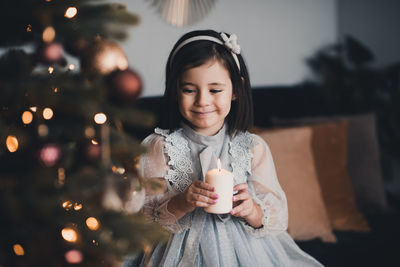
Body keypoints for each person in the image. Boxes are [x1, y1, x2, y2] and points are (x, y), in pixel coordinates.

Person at [126, 30, 323, 267]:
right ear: (175, 90)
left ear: (236, 90)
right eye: (189, 90)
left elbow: (275, 218)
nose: (202, 101)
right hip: (177, 251)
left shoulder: (252, 148)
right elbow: (141, 219)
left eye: (215, 90)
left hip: (246, 252)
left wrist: (251, 210)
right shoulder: (160, 148)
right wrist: (180, 203)